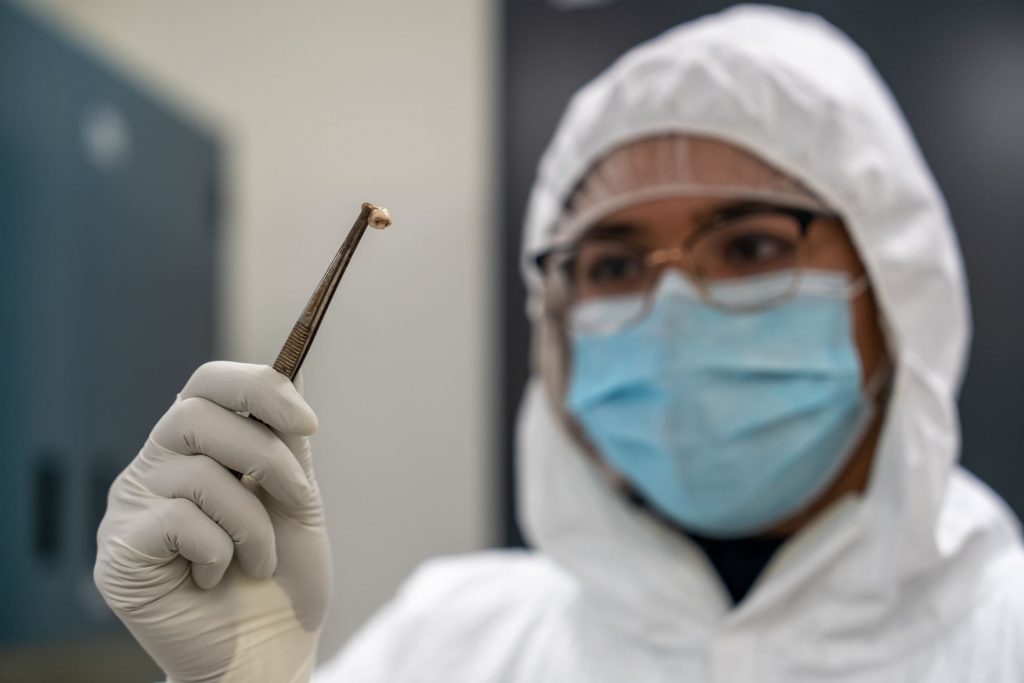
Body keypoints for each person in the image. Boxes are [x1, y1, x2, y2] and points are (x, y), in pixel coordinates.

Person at [94, 5, 1024, 681]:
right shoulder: (455, 643)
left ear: (895, 292)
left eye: (750, 247)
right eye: (614, 265)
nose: (674, 306)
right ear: (557, 324)